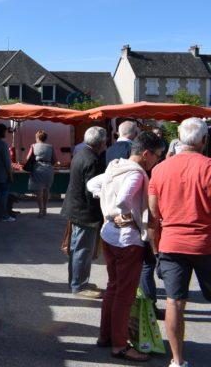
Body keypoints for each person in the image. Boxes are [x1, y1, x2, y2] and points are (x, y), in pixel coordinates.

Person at [88, 131, 164, 363]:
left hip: (109, 236)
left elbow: (93, 184)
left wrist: (108, 208)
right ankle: (120, 345)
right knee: (124, 294)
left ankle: (105, 336)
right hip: (126, 240)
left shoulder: (115, 166)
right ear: (146, 153)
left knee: (113, 287)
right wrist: (124, 214)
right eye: (157, 156)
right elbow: (123, 200)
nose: (158, 161)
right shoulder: (137, 174)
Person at [148, 117, 211, 367]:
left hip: (171, 243)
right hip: (205, 243)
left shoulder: (160, 169)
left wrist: (156, 249)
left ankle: (177, 360)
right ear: (204, 141)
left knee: (174, 302)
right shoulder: (208, 167)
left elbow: (153, 215)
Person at [61, 126, 106, 299]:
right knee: (82, 249)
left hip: (76, 208)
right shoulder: (92, 159)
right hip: (84, 211)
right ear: (101, 142)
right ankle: (79, 285)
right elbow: (91, 190)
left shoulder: (80, 153)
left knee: (76, 248)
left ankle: (76, 281)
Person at [27, 130, 56, 218]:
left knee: (39, 191)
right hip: (48, 169)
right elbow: (54, 159)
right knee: (46, 190)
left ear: (37, 137)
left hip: (38, 168)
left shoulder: (33, 146)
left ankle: (41, 210)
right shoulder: (50, 147)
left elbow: (28, 158)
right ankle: (45, 209)